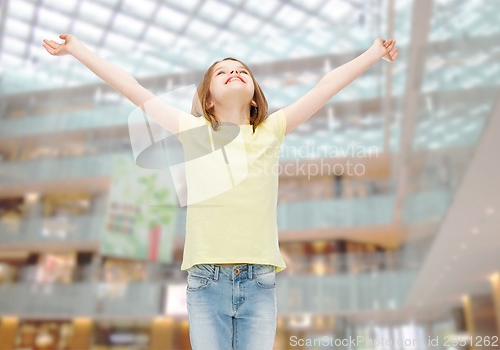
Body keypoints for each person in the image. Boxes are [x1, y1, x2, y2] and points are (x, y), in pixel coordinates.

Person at [43, 34, 398, 349]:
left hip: (260, 282)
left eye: (242, 71)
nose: (234, 72)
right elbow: (133, 88)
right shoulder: (194, 131)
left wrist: (372, 53)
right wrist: (77, 49)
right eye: (222, 72)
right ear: (208, 100)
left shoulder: (270, 131)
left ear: (255, 98)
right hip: (205, 281)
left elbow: (325, 87)